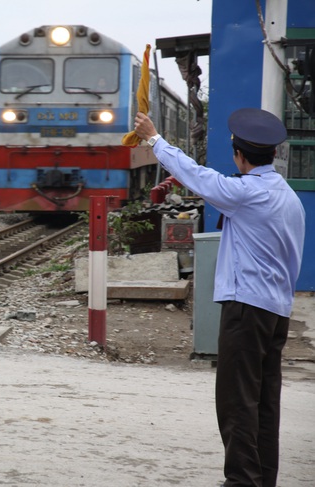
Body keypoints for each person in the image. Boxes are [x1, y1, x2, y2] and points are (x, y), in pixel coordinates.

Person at [134, 108, 305, 487]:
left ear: (239, 155)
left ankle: (242, 480)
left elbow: (199, 176)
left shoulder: (246, 194)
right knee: (264, 400)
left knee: (236, 400)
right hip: (276, 311)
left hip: (246, 308)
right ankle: (262, 478)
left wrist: (154, 139)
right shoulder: (288, 196)